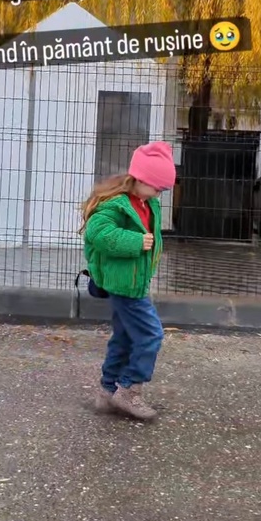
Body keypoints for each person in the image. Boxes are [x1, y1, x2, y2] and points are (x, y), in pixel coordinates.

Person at [80, 142, 176, 420]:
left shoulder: (147, 202)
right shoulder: (116, 205)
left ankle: (107, 392)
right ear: (141, 179)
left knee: (124, 337)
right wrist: (135, 241)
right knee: (150, 335)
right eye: (157, 187)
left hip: (132, 282)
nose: (160, 193)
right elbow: (97, 233)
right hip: (125, 286)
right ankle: (129, 390)